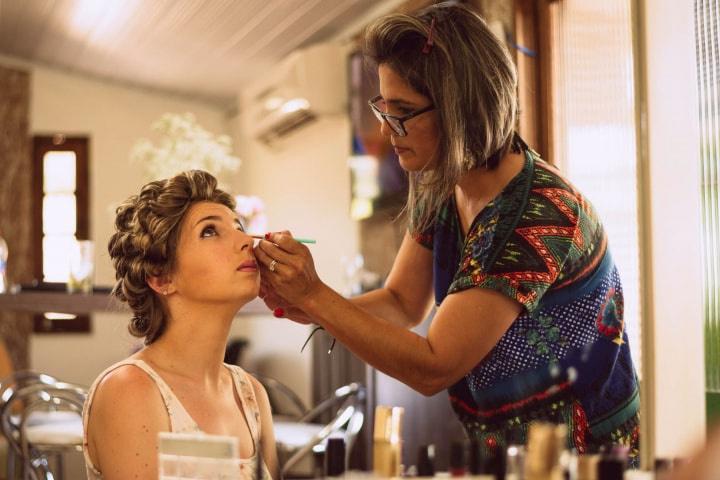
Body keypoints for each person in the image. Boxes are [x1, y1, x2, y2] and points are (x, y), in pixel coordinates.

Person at [255, 1, 640, 465]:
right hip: (502, 448)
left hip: (579, 458)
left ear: (464, 108)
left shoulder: (538, 216)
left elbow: (434, 365)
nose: (386, 130)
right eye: (383, 107)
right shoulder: (442, 183)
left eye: (404, 111)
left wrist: (319, 299)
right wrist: (310, 307)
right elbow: (401, 301)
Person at [82, 170, 278, 479]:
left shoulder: (252, 394)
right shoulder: (129, 391)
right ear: (162, 277)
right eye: (210, 231)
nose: (246, 241)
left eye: (239, 227)